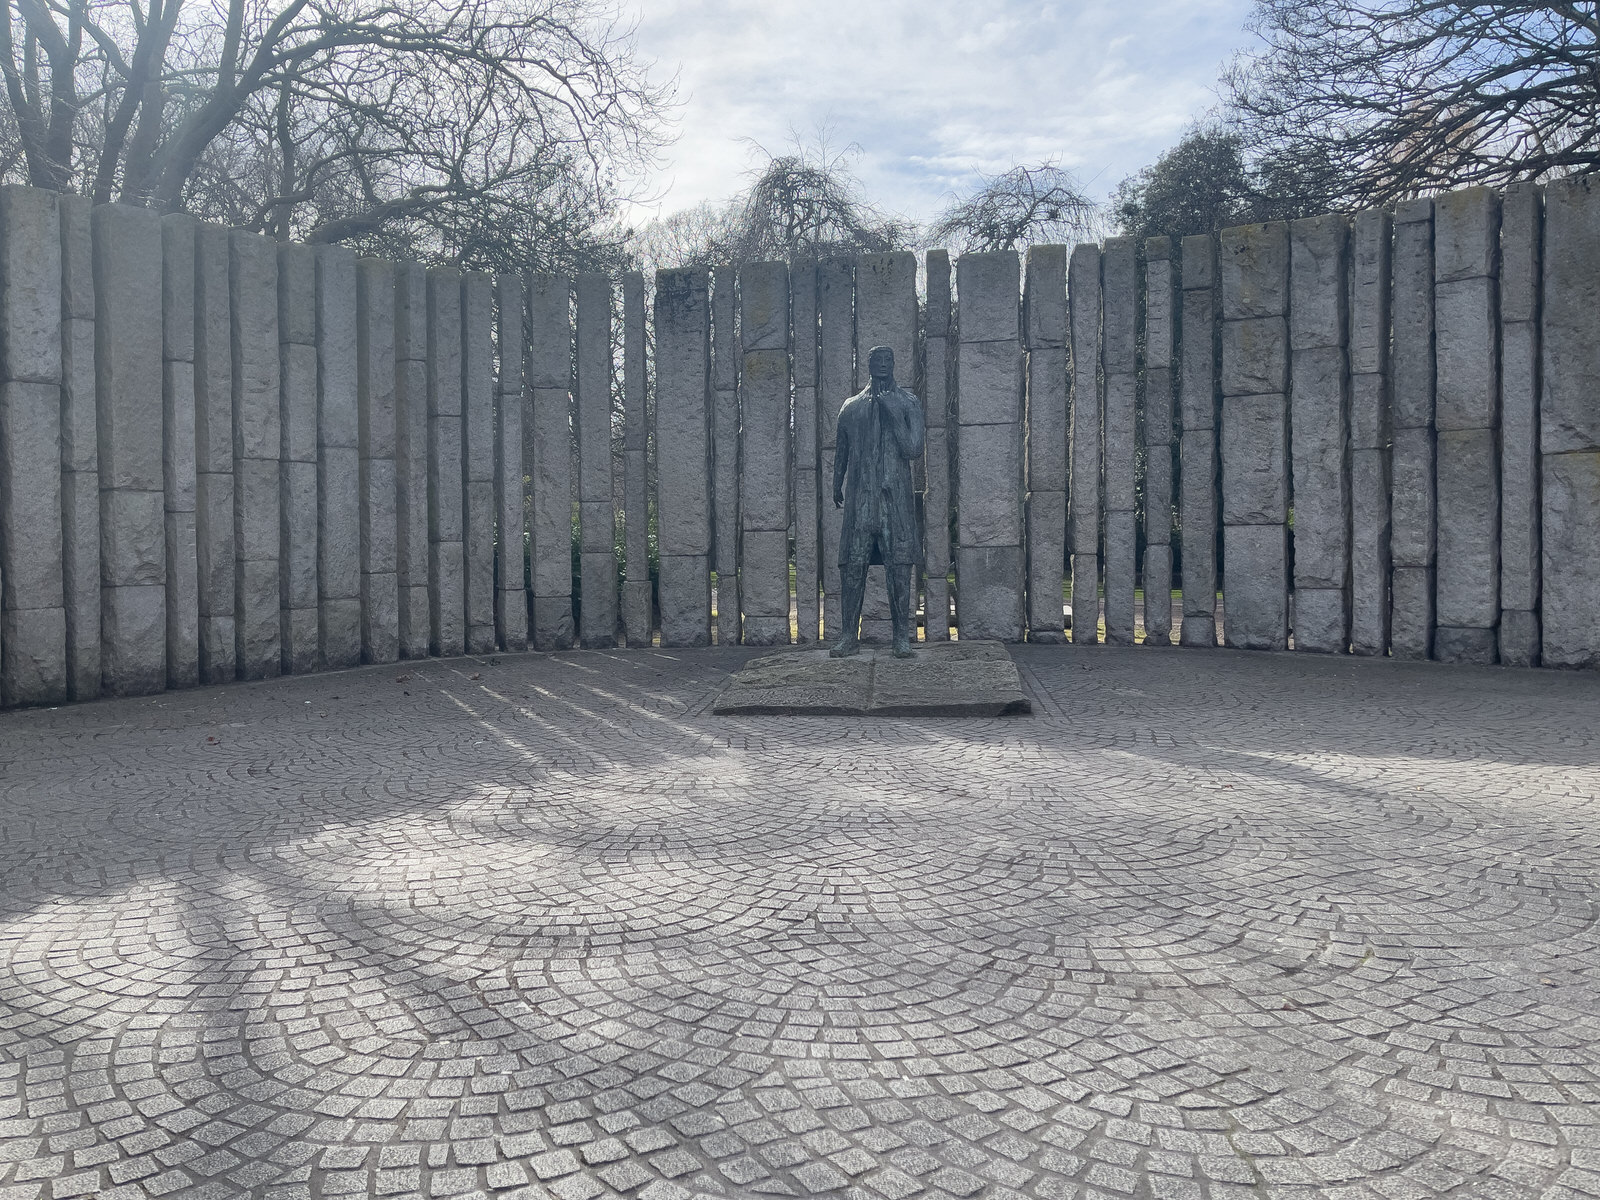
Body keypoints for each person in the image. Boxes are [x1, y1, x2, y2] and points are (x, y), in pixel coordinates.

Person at [831, 345, 925, 658]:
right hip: (860, 498)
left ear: (894, 364)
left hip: (894, 500)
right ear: (868, 364)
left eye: (888, 359)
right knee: (853, 565)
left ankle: (901, 637)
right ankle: (848, 635)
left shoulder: (908, 402)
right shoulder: (851, 406)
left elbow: (913, 449)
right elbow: (841, 450)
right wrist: (836, 483)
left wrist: (893, 416)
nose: (883, 364)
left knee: (899, 566)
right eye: (877, 360)